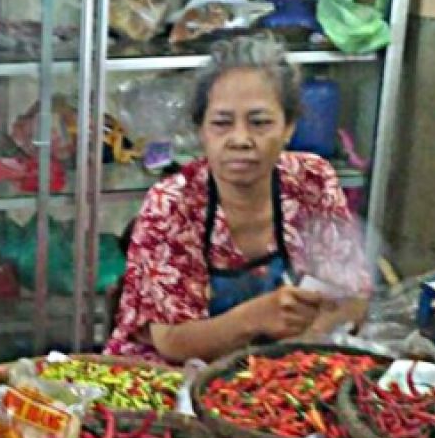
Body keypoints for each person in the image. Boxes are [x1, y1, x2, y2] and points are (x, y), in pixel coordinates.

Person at [105, 34, 372, 364]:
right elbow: (172, 342)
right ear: (201, 130)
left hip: (278, 368)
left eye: (260, 123)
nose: (241, 140)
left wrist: (298, 351)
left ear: (288, 127)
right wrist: (256, 318)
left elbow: (352, 298)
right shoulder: (173, 203)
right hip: (170, 373)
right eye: (221, 123)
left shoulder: (311, 181)